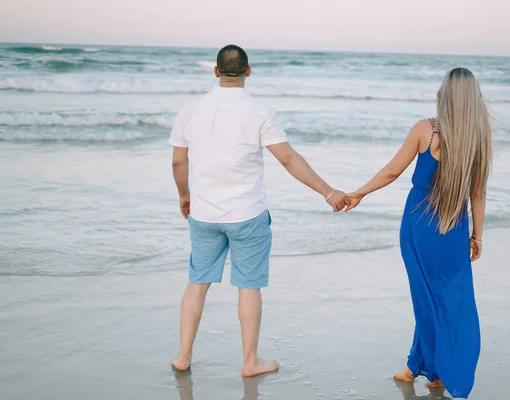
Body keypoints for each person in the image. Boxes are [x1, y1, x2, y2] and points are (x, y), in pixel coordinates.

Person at [169, 44, 346, 376]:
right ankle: (250, 362)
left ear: (216, 71)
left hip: (205, 213)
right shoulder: (260, 111)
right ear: (248, 71)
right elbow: (289, 159)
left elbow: (179, 160)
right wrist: (327, 191)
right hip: (248, 213)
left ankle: (183, 355)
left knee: (197, 283)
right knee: (248, 286)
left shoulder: (190, 109)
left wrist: (184, 195)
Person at [344, 67, 491, 398]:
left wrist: (360, 192)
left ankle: (429, 369)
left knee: (425, 298)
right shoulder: (478, 138)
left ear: (445, 95)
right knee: (447, 299)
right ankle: (419, 366)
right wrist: (477, 235)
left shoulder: (427, 130)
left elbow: (393, 171)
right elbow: (478, 193)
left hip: (420, 227)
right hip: (454, 229)